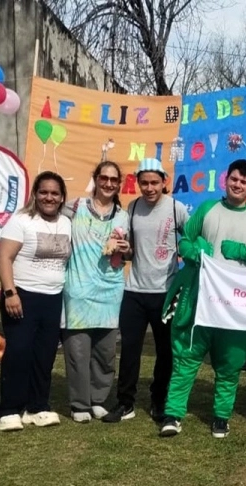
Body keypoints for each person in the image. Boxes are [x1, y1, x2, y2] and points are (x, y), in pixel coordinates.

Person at [158, 159, 246, 438]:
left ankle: (222, 417)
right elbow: (185, 241)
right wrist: (194, 251)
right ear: (227, 180)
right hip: (200, 298)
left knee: (230, 361)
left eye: (244, 181)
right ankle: (173, 414)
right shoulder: (208, 209)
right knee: (187, 358)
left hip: (236, 304)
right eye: (234, 179)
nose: (238, 185)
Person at [103, 158, 189, 423]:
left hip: (166, 292)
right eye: (144, 183)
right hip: (135, 290)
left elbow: (192, 239)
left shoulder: (177, 209)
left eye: (154, 182)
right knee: (130, 349)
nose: (149, 188)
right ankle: (125, 402)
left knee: (165, 351)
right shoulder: (133, 207)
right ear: (138, 183)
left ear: (164, 182)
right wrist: (121, 249)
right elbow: (129, 247)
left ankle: (159, 400)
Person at [0, 172, 72, 432]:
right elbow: (4, 257)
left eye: (55, 193)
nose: (49, 197)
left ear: (62, 197)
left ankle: (37, 406)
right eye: (44, 192)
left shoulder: (67, 223)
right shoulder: (21, 221)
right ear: (35, 194)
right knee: (18, 352)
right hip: (23, 295)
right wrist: (10, 292)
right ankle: (9, 409)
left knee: (44, 355)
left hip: (53, 298)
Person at [61, 161, 131, 423]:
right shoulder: (76, 207)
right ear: (96, 178)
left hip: (110, 292)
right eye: (104, 178)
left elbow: (129, 253)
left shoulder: (123, 216)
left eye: (114, 179)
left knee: (105, 351)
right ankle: (79, 403)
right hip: (78, 288)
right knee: (78, 352)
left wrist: (125, 249)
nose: (109, 183)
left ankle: (98, 399)